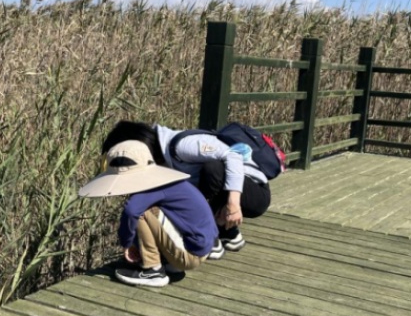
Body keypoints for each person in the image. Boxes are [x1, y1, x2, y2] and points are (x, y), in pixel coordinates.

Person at [100, 120, 272, 252]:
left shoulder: (181, 146)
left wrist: (233, 204)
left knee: (213, 168)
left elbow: (233, 156)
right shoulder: (162, 160)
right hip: (237, 192)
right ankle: (228, 233)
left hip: (256, 194)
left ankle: (213, 237)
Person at [79, 140, 220, 287]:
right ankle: (170, 264)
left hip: (190, 254)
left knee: (142, 213)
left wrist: (127, 243)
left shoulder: (151, 187)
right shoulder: (169, 183)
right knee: (153, 211)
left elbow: (132, 211)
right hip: (200, 248)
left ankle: (153, 270)